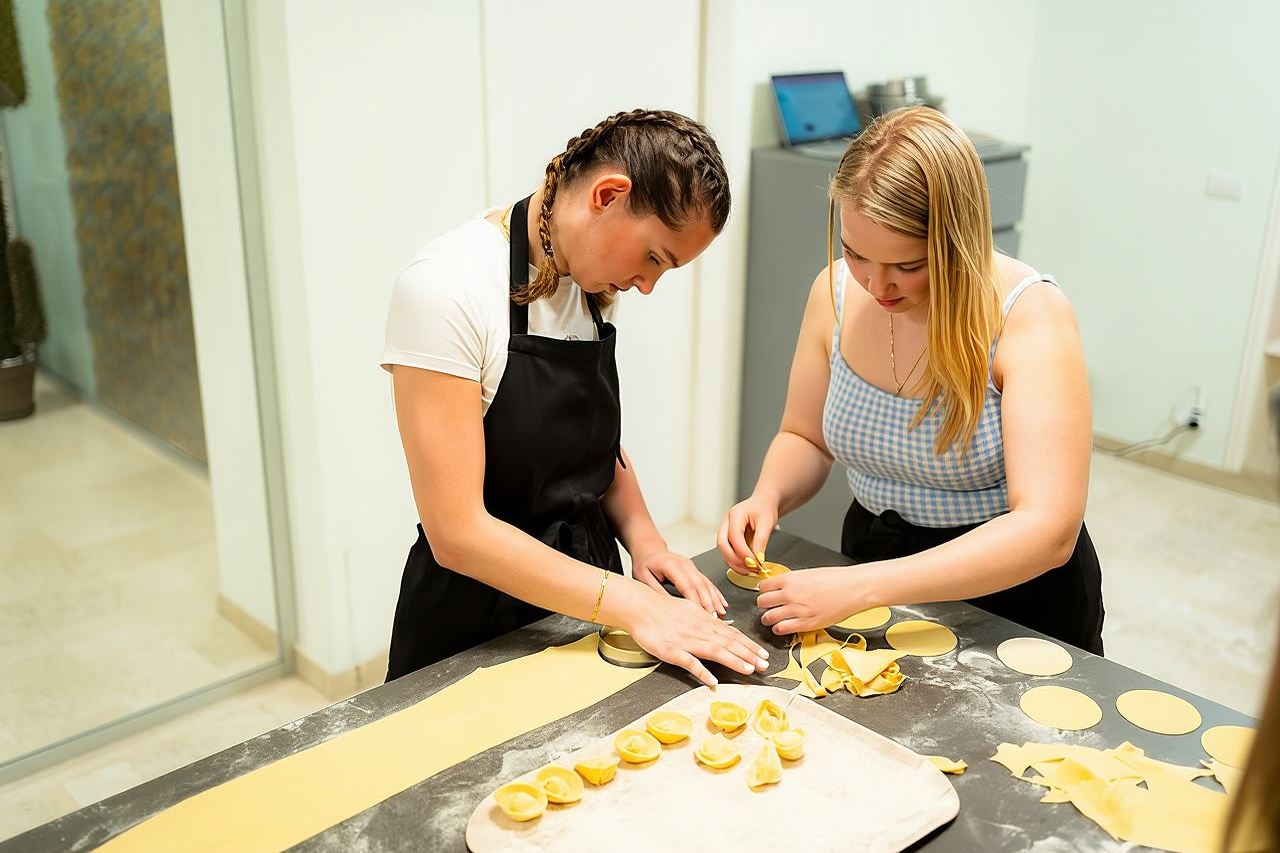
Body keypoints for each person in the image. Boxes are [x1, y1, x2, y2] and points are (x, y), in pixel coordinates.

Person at [382, 109, 770, 686]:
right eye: (654, 258)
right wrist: (639, 607)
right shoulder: (446, 288)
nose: (647, 286)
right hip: (477, 618)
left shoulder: (586, 282)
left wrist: (646, 540)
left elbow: (590, 446)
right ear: (608, 195)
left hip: (592, 597)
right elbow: (457, 533)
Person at [719, 106, 1104, 653]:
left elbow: (1048, 530)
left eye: (908, 265)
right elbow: (804, 436)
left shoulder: (1029, 315)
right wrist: (767, 497)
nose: (878, 284)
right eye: (855, 254)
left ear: (958, 241)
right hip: (873, 562)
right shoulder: (834, 294)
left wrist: (861, 586)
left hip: (1012, 596)